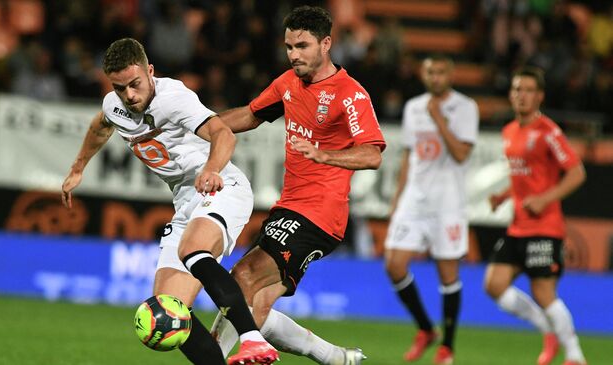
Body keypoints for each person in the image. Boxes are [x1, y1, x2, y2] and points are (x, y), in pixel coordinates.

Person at [60, 38, 278, 365]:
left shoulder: (173, 98)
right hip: (186, 201)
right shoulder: (114, 105)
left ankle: (252, 341)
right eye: (120, 88)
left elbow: (223, 134)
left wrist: (211, 169)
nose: (130, 95)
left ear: (150, 71)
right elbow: (101, 126)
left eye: (135, 84)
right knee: (169, 309)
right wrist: (78, 168)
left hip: (221, 187)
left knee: (193, 250)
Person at [210, 6, 385, 365]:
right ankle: (332, 357)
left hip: (321, 212)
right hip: (290, 205)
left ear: (326, 44)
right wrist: (200, 125)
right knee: (257, 301)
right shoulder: (288, 83)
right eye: (289, 47)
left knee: (242, 276)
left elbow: (372, 154)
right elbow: (251, 114)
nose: (293, 55)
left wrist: (325, 155)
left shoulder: (350, 93)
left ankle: (208, 358)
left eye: (302, 46)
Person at [485, 66, 587, 365]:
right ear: (511, 94)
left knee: (543, 291)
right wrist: (504, 195)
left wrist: (545, 199)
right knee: (493, 285)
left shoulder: (549, 132)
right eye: (517, 89)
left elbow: (577, 173)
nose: (522, 96)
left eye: (528, 90)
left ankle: (575, 355)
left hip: (545, 226)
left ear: (539, 96)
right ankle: (548, 329)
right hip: (518, 226)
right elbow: (523, 177)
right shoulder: (509, 131)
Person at [383, 54, 479, 365]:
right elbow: (409, 156)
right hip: (415, 198)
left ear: (450, 74)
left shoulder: (465, 108)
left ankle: (447, 346)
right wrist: (398, 198)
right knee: (394, 264)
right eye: (429, 72)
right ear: (423, 75)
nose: (434, 77)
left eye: (440, 72)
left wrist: (439, 119)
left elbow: (462, 154)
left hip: (448, 202)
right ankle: (426, 329)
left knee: (447, 274)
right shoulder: (413, 107)